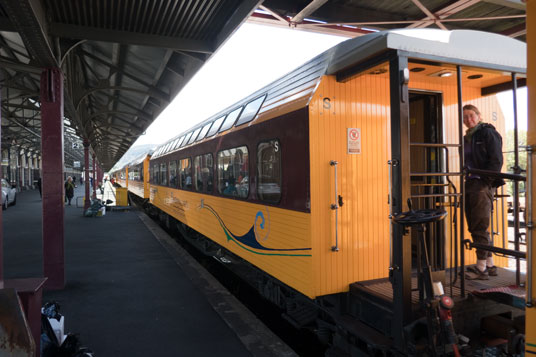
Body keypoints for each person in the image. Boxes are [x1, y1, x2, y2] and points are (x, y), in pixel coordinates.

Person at [463, 104, 505, 280]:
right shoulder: (468, 137)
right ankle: (489, 264)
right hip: (471, 182)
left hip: (481, 183)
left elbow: (496, 160)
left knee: (479, 224)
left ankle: (481, 269)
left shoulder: (488, 133)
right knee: (476, 223)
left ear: (479, 116)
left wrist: (485, 182)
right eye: (465, 117)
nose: (468, 120)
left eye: (471, 116)